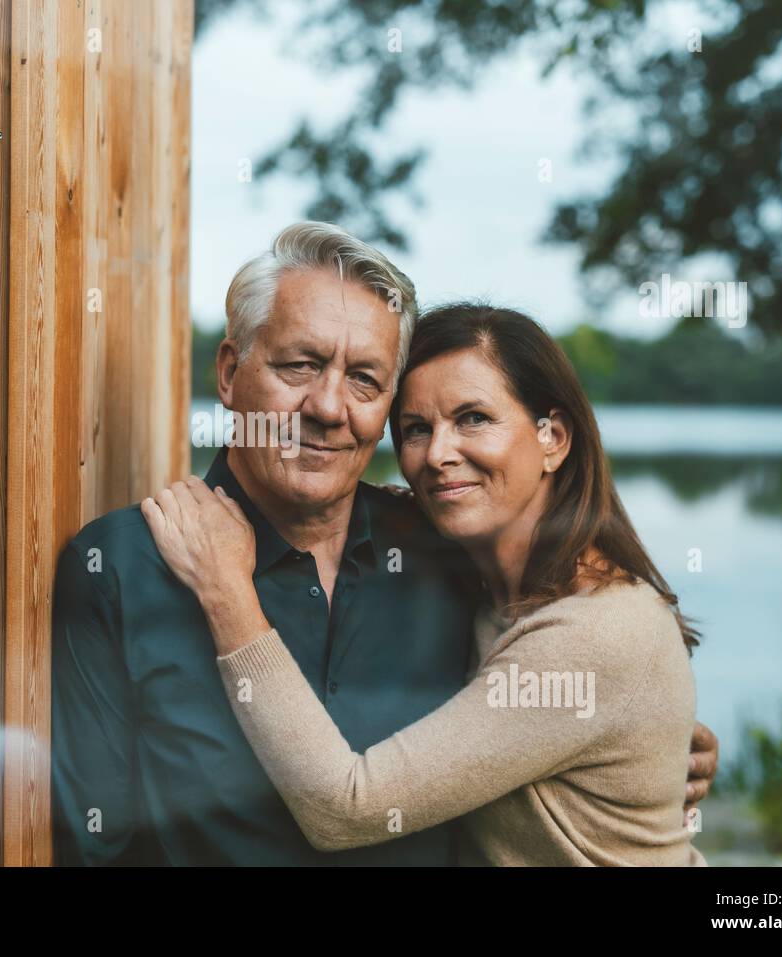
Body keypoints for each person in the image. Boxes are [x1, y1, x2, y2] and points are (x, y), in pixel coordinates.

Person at [52, 222, 718, 865]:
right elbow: (93, 844)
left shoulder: (450, 557)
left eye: (365, 380)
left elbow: (584, 682)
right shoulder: (121, 568)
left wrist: (652, 754)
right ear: (229, 373)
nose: (328, 407)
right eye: (300, 364)